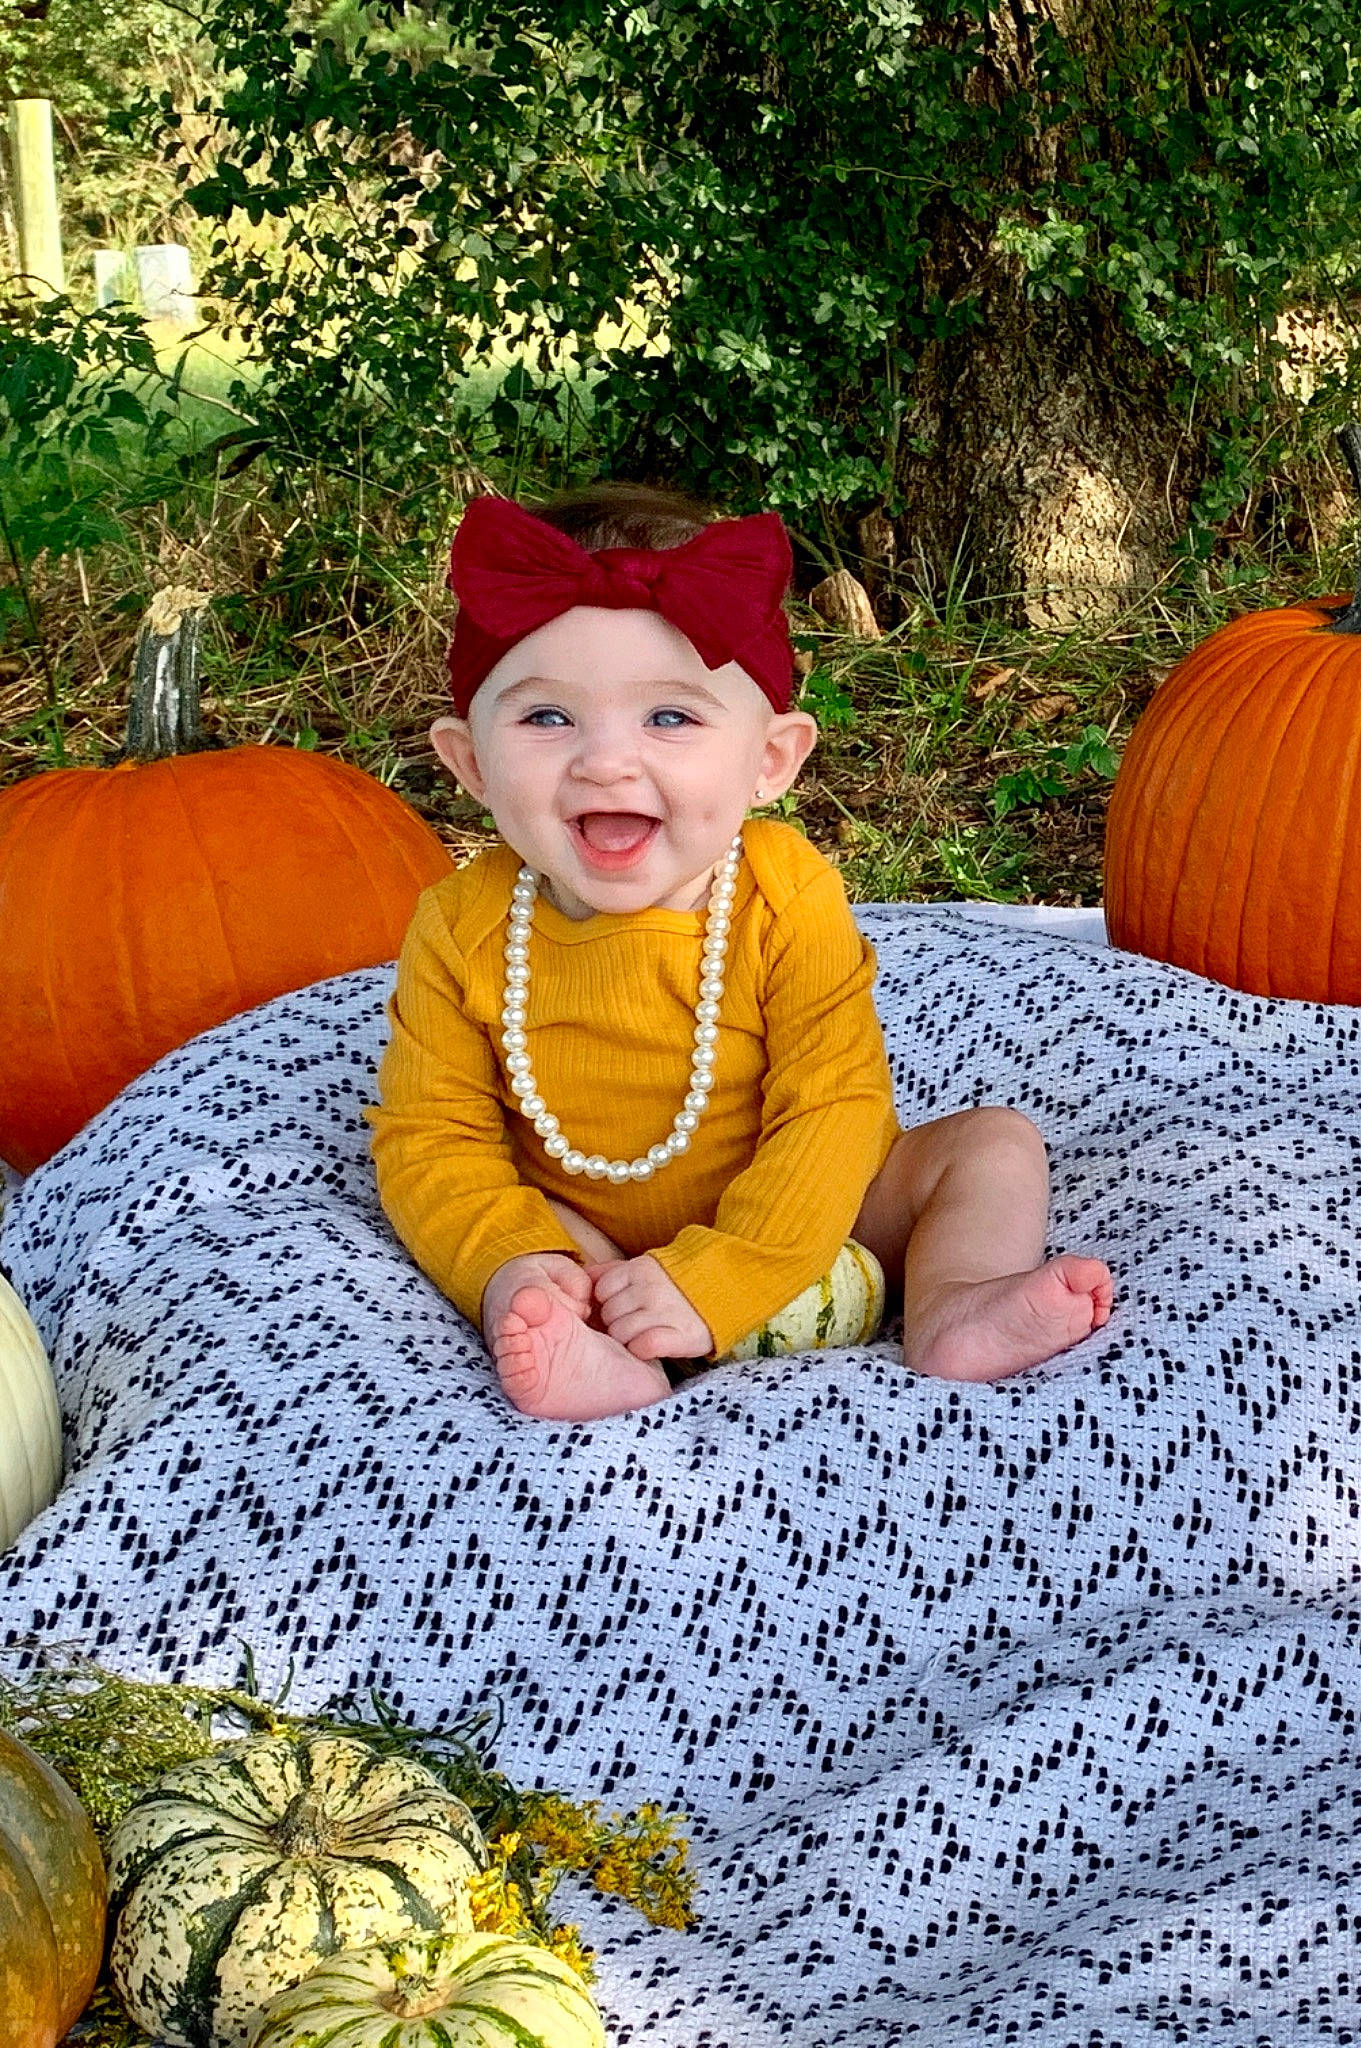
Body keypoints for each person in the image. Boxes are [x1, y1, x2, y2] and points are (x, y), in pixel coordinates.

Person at [367, 484, 1114, 1421]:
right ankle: (592, 1352)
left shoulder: (783, 893)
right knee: (515, 1247)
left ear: (770, 760)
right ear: (470, 762)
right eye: (547, 718)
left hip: (817, 1216)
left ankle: (954, 1299)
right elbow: (431, 1137)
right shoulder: (459, 925)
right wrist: (512, 1262)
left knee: (994, 1146)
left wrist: (733, 1268)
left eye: (669, 718)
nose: (605, 761)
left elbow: (833, 1104)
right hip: (594, 1243)